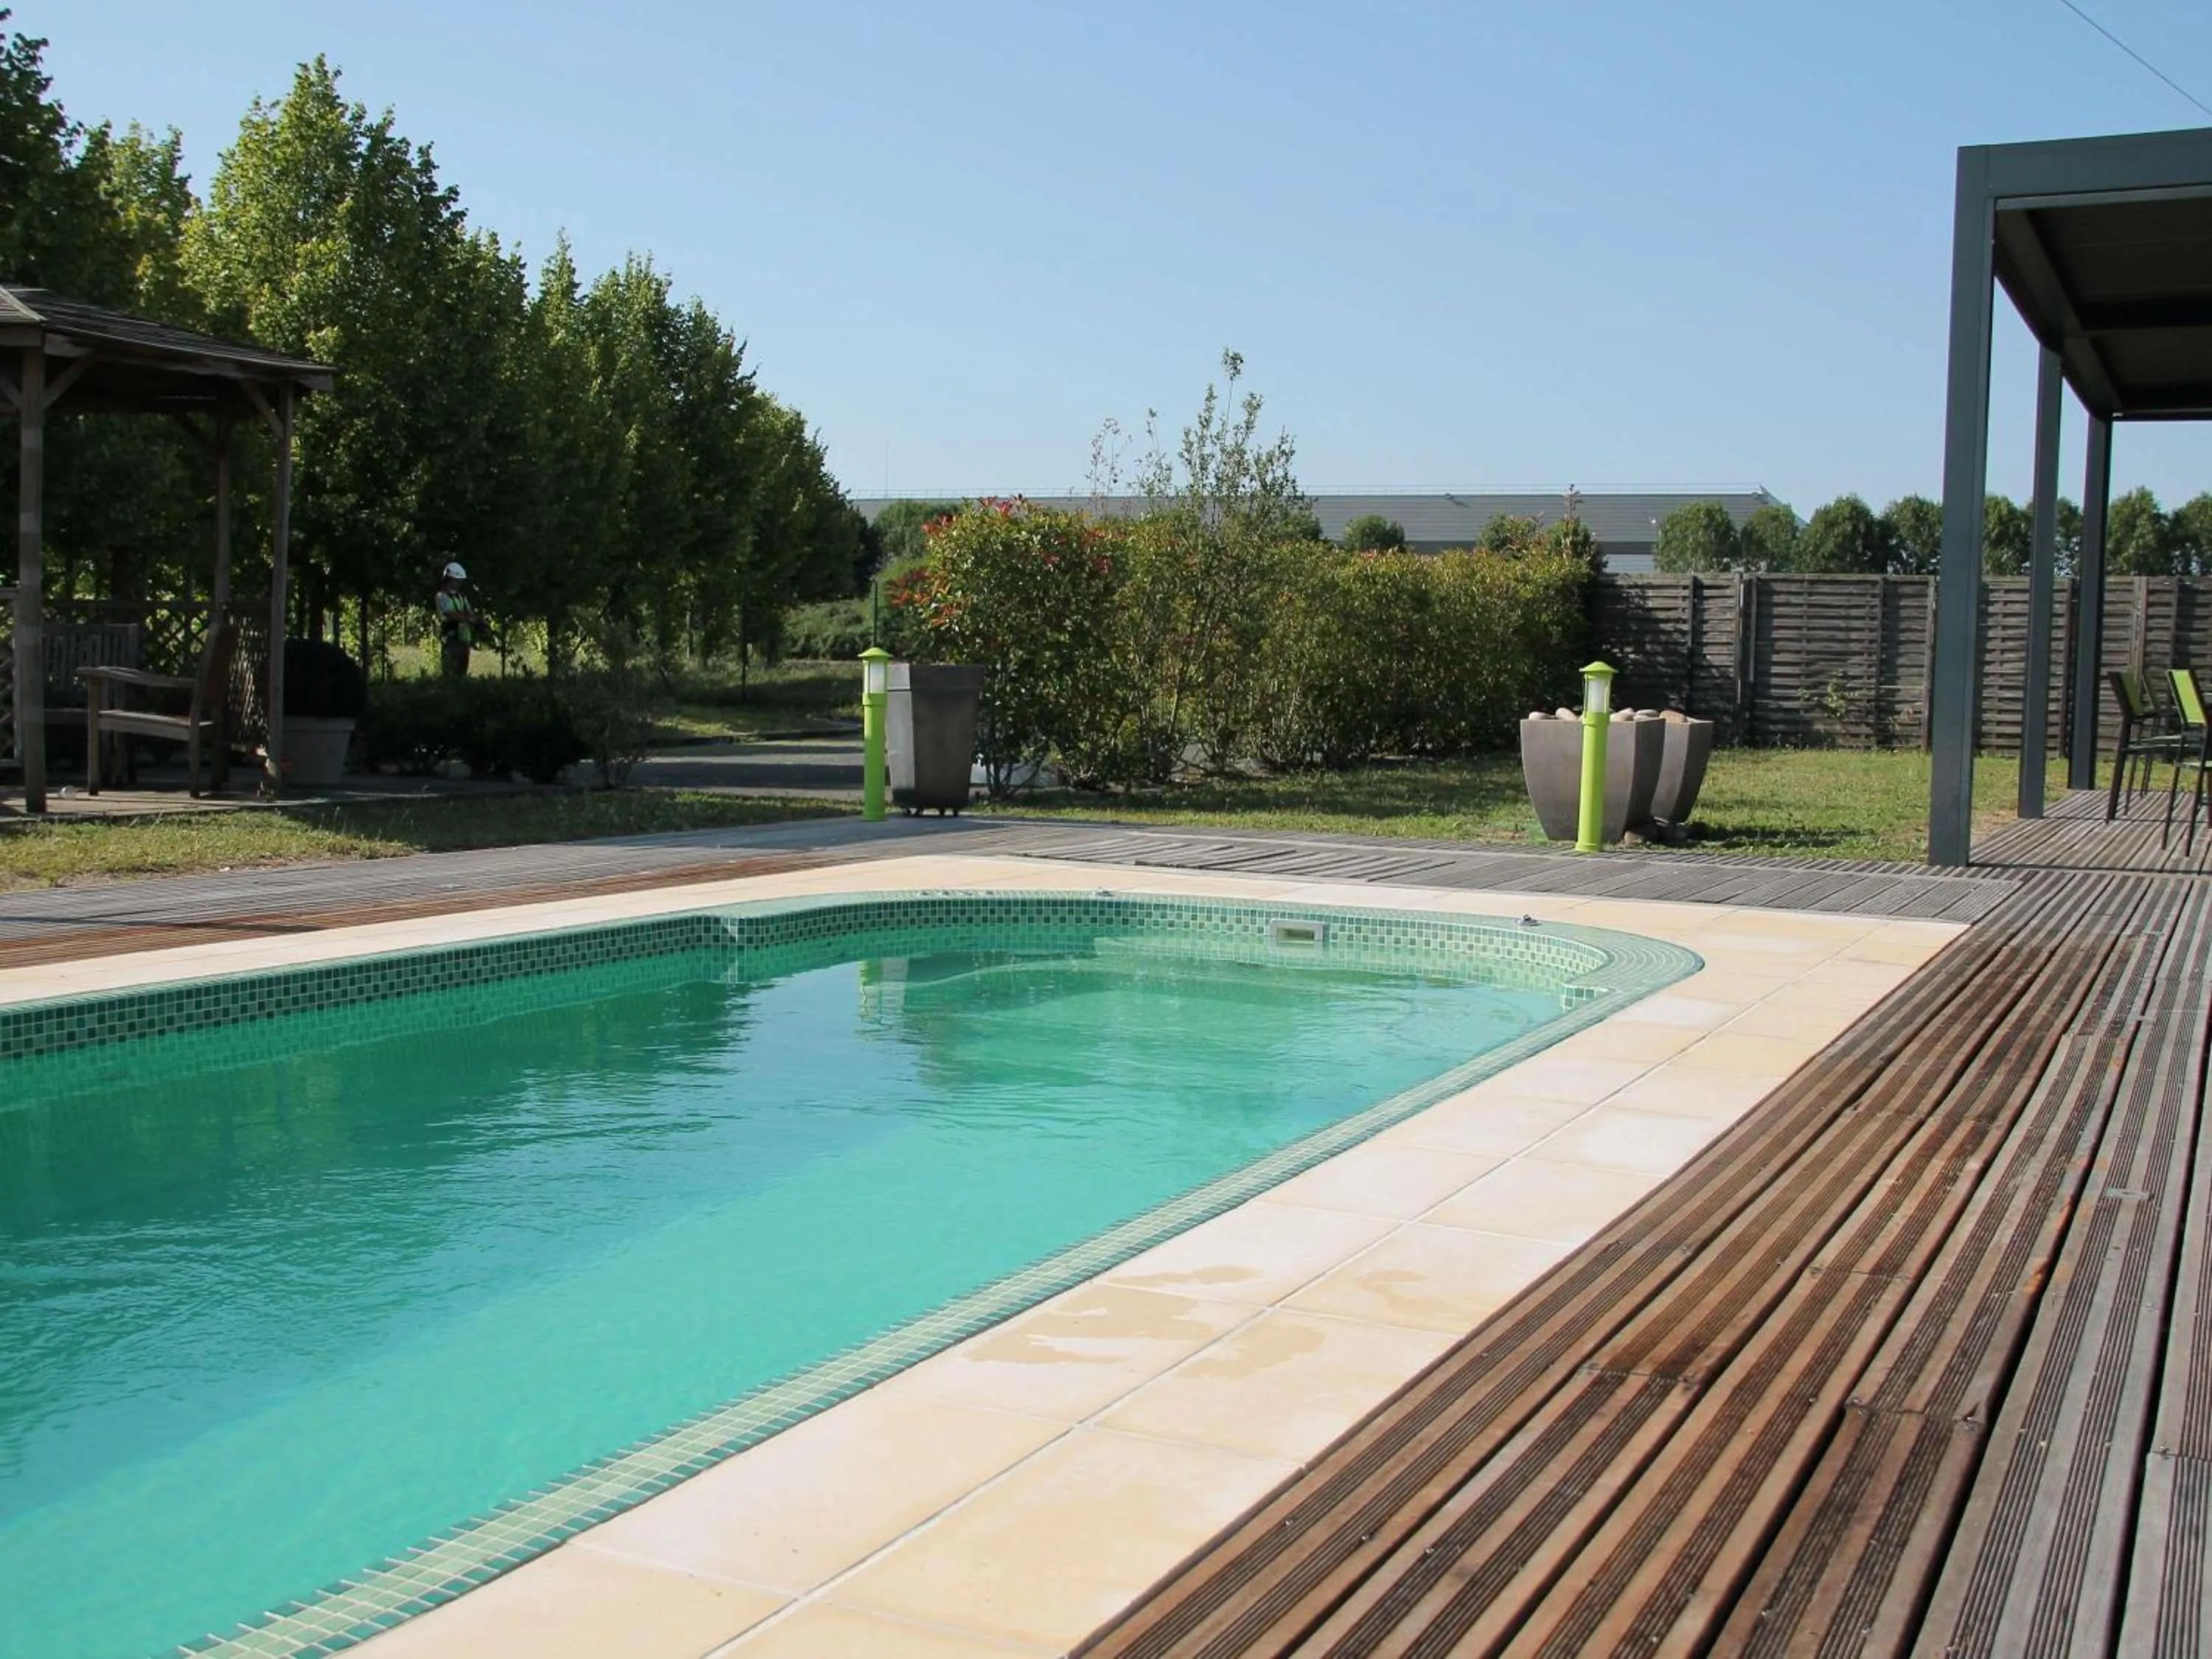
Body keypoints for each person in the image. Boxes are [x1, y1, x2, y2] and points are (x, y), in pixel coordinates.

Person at [434, 562, 479, 678]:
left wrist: (467, 617)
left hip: (464, 639)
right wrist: (466, 617)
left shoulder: (462, 597)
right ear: (448, 579)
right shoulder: (441, 596)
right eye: (456, 580)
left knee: (462, 672)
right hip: (450, 639)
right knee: (450, 671)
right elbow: (451, 615)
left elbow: (470, 614)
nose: (458, 583)